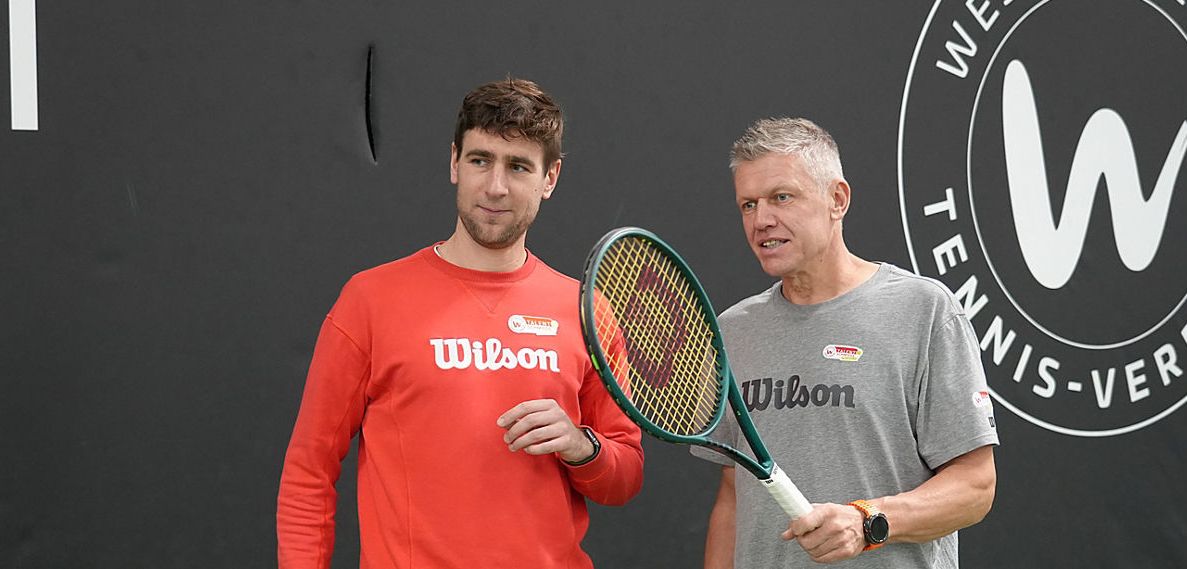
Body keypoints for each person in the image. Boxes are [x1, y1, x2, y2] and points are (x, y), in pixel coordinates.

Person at [277, 79, 644, 569]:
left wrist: (582, 446)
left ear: (550, 177)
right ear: (454, 162)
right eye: (480, 160)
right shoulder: (370, 299)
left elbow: (624, 478)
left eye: (518, 166)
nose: (495, 186)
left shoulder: (586, 310)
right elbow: (309, 472)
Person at [697, 118, 998, 568]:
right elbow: (732, 496)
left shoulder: (925, 310)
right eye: (747, 204)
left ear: (837, 200)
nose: (761, 220)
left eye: (782, 197)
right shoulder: (732, 331)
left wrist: (867, 521)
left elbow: (975, 486)